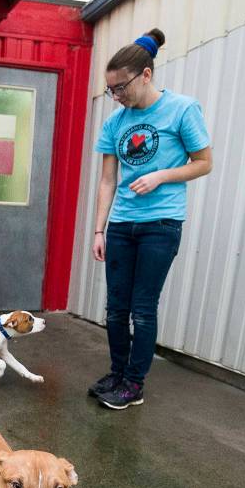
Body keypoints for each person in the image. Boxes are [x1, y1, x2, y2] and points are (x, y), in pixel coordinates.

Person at [87, 29, 212, 409]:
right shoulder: (115, 123)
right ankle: (117, 372)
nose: (117, 96)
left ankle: (134, 384)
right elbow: (108, 179)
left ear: (145, 74)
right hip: (123, 225)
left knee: (142, 309)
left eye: (121, 87)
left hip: (161, 224)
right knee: (115, 308)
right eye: (111, 90)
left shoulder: (182, 109)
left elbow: (204, 163)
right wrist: (99, 229)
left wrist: (160, 175)